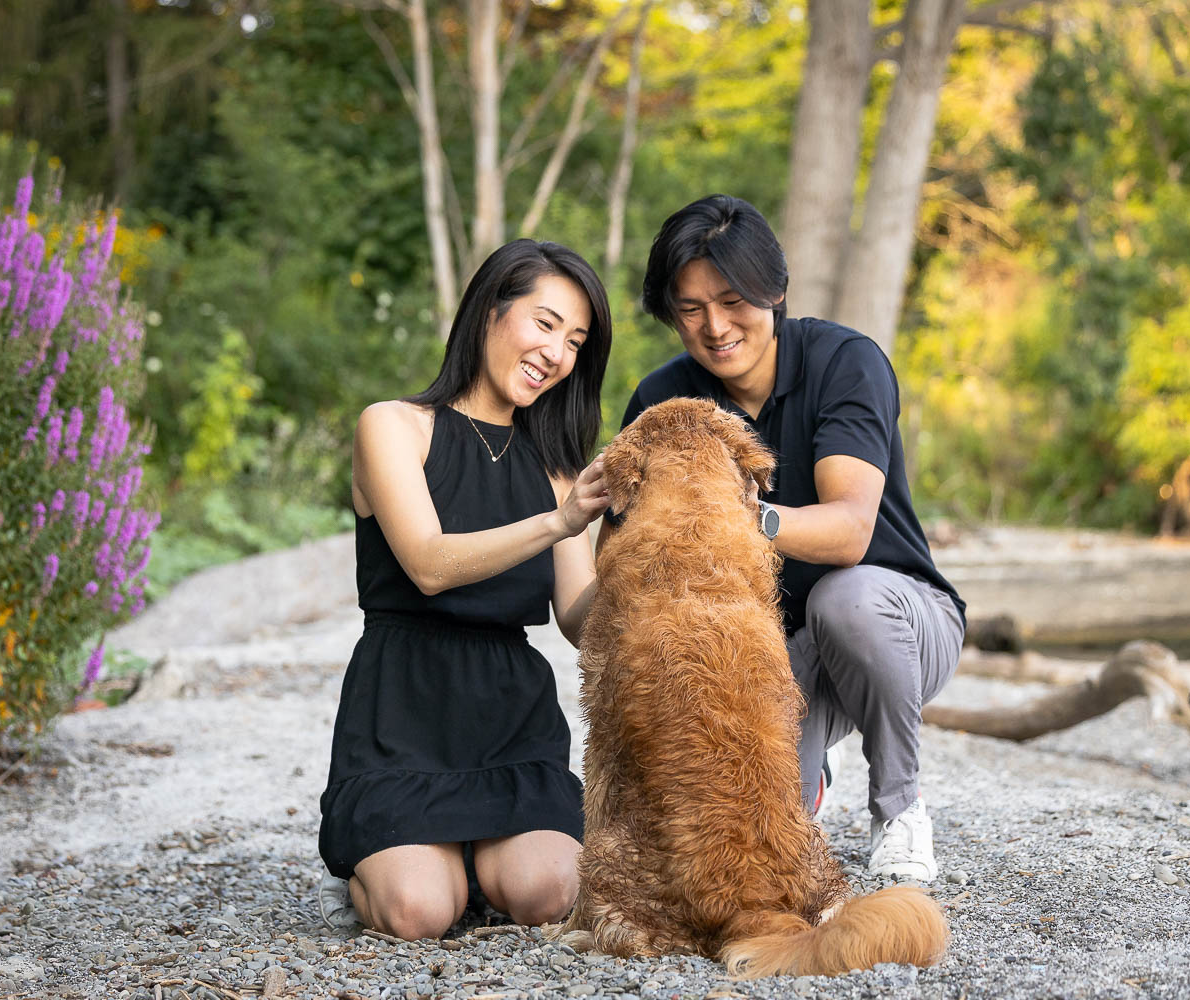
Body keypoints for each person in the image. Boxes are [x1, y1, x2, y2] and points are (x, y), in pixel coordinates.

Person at [601, 195, 965, 882]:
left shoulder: (845, 362)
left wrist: (742, 518)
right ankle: (811, 769)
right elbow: (623, 564)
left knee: (845, 600)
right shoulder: (662, 401)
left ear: (777, 290)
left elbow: (852, 531)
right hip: (768, 652)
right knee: (750, 842)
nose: (714, 326)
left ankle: (900, 809)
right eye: (690, 308)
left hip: (900, 622)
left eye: (734, 299)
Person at [317, 239, 613, 940]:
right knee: (418, 912)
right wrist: (559, 522)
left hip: (510, 718)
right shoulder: (393, 427)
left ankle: (476, 863)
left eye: (575, 341)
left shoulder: (555, 468)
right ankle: (415, 866)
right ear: (489, 311)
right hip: (402, 716)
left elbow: (580, 620)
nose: (558, 354)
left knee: (552, 891)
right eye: (545, 324)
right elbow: (428, 563)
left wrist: (652, 557)